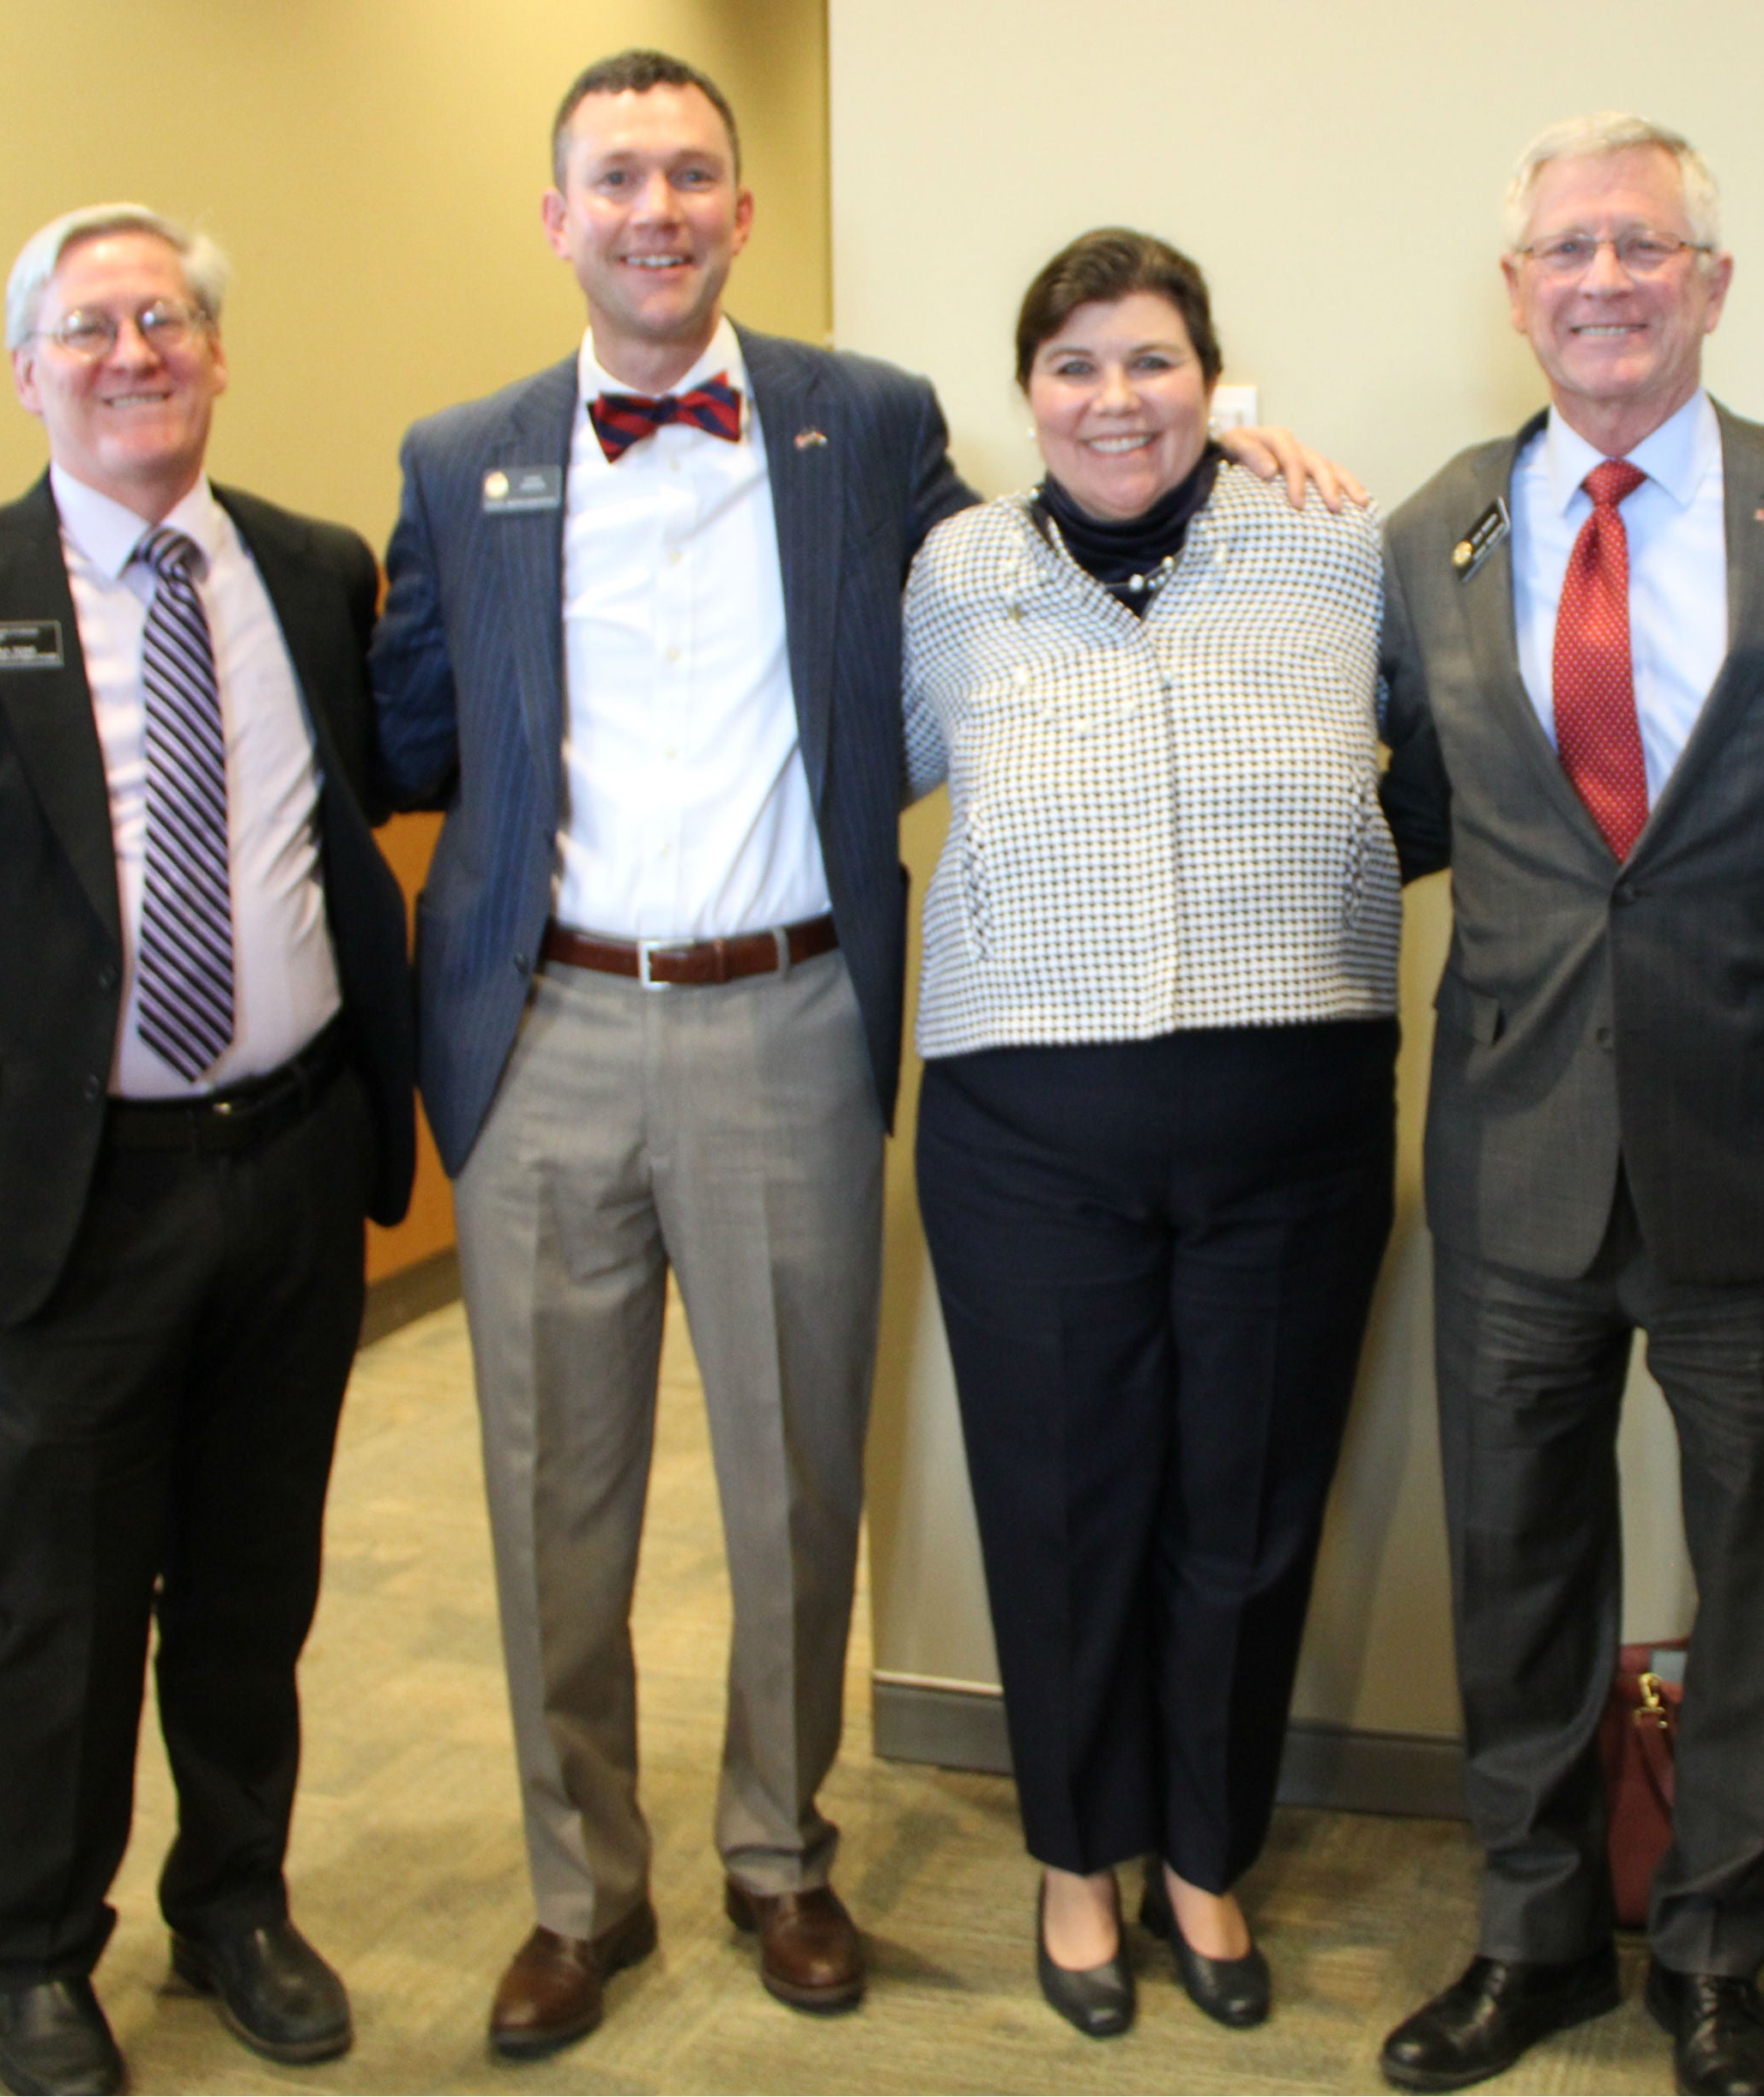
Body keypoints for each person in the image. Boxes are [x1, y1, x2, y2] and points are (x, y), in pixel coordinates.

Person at [369, 50, 1354, 2058]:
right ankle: (582, 1891)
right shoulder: (460, 450)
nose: (657, 207)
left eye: (694, 174)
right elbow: (403, 728)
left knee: (797, 1485)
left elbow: (1067, 551)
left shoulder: (861, 423)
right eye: (615, 178)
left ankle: (776, 1851)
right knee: (552, 1493)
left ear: (742, 212)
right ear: (557, 217)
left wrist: (1245, 447)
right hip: (545, 1025)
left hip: (786, 1009)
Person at [0, 203, 418, 2097]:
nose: (132, 352)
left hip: (295, 1159)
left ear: (217, 357)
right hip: (70, 1193)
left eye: (165, 320)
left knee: (252, 1575)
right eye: (88, 328)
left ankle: (234, 1900)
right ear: (26, 369)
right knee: (62, 1596)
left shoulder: (314, 571)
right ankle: (40, 1951)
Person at [1375, 112, 1764, 2097]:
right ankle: (1528, 1938)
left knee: (1760, 1581)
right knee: (1517, 1577)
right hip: (1515, 1155)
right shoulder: (1430, 526)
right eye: (1562, 250)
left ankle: (1717, 1950)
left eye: (1639, 246)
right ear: (1512, 289)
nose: (1598, 280)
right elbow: (1431, 818)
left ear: (1708, 280)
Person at [900, 227, 1399, 2041]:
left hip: (1294, 1110)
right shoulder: (951, 573)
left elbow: (1445, 746)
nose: (1115, 398)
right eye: (1074, 366)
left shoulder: (1340, 544)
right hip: (1029, 1121)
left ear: (1213, 380)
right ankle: (1073, 1853)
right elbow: (850, 761)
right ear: (1024, 395)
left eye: (1152, 361)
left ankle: (1203, 1849)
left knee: (1248, 1514)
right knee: (1062, 1506)